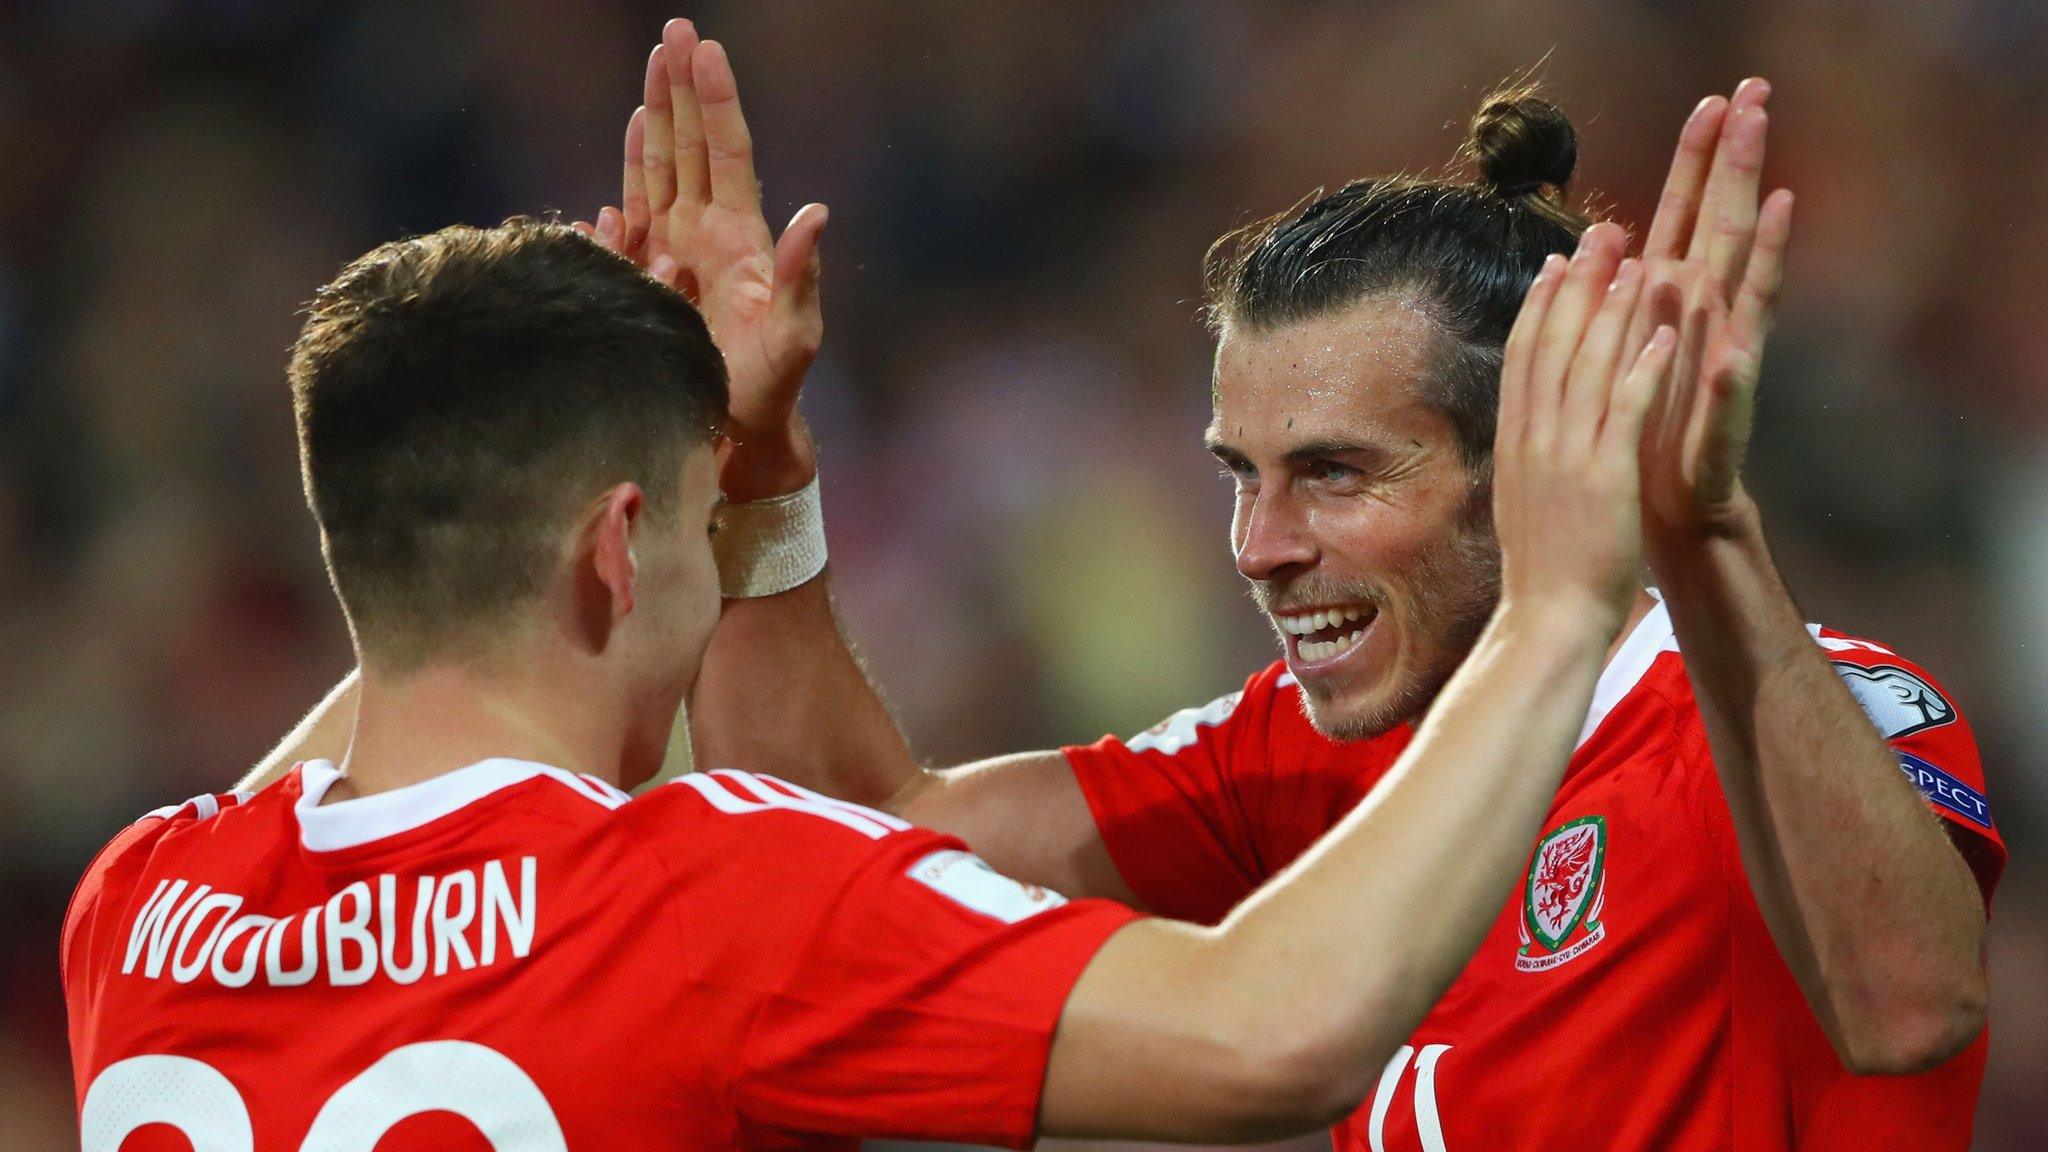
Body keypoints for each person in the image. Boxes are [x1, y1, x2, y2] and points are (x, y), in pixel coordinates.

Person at [235, 20, 1999, 1150]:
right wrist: (762, 477)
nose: (1260, 548)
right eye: (1242, 477)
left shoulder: (1796, 704)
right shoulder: (1321, 759)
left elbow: (1912, 1008)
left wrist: (1702, 540)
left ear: (1530, 453)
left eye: (1337, 476)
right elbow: (871, 833)